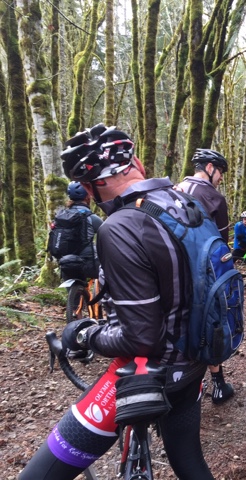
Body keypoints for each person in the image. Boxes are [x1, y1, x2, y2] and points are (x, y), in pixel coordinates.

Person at [19, 125, 214, 480]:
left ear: (91, 188)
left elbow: (141, 337)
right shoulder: (186, 204)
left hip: (148, 371)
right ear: (137, 163)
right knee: (190, 463)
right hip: (194, 362)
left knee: (36, 476)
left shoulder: (121, 227)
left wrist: (84, 335)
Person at [176, 148, 234, 405]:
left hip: (172, 271)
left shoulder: (174, 190)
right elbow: (221, 244)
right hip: (202, 273)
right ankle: (218, 383)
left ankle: (180, 380)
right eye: (220, 172)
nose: (220, 178)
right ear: (210, 167)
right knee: (212, 322)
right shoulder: (213, 198)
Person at [60, 181, 103, 280]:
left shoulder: (62, 216)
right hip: (89, 264)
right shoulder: (91, 217)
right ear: (87, 197)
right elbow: (109, 233)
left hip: (66, 263)